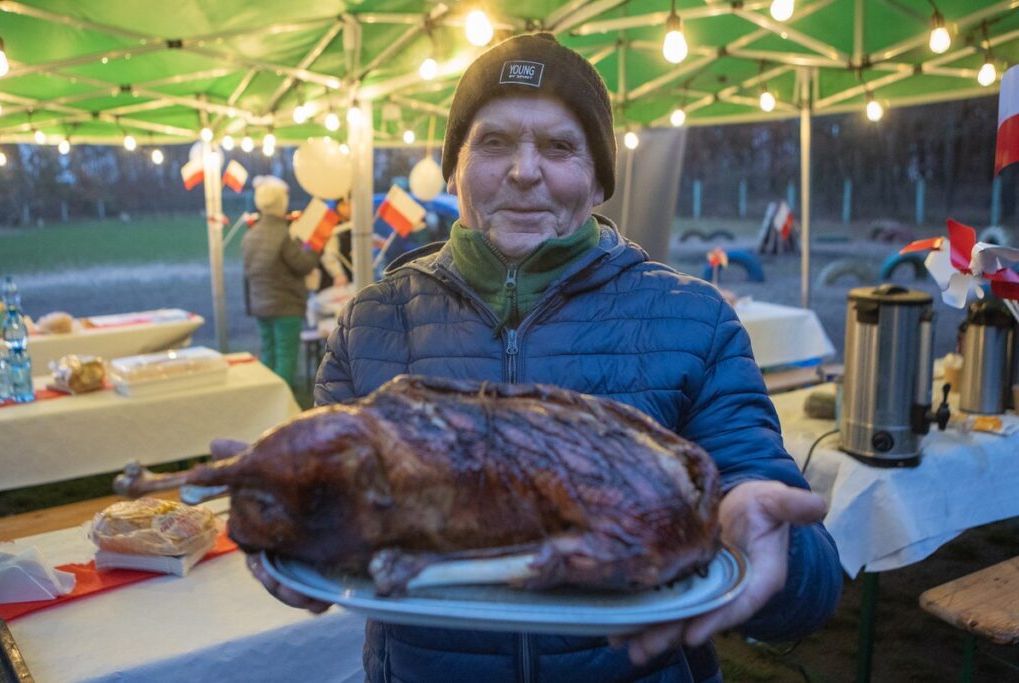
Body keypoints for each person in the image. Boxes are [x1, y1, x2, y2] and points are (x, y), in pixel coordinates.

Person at [247, 32, 842, 682]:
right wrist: (286, 526)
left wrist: (774, 549)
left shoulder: (695, 320)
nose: (524, 170)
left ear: (597, 181)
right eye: (494, 142)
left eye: (559, 147)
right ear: (455, 168)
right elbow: (322, 503)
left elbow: (804, 580)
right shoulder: (370, 323)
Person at [241, 175, 320, 387]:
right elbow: (303, 265)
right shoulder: (283, 235)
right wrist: (315, 248)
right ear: (281, 202)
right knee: (286, 358)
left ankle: (268, 402)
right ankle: (283, 405)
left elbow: (247, 274)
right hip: (286, 307)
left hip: (260, 305)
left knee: (269, 355)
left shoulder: (249, 236)